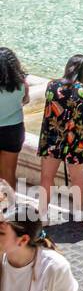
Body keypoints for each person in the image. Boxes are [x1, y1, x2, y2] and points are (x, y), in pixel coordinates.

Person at [36, 55, 83, 224]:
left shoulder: (52, 85)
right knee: (77, 179)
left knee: (46, 177)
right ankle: (79, 213)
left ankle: (42, 214)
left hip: (52, 138)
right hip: (76, 141)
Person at [0, 49, 29, 193]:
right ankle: (9, 207)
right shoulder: (22, 84)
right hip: (13, 131)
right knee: (9, 172)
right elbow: (25, 100)